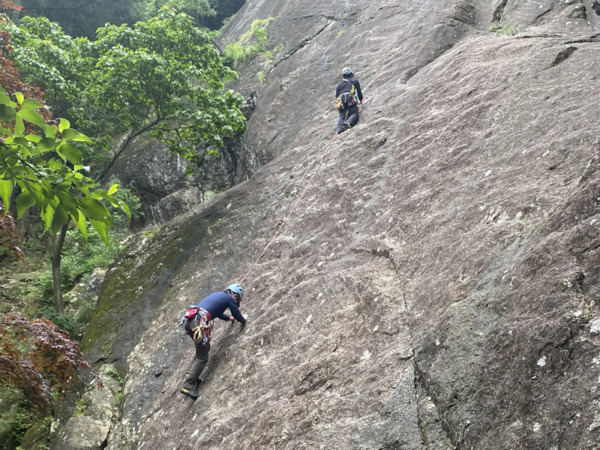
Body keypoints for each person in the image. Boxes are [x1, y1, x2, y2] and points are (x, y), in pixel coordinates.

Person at [180, 283, 246, 399]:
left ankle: (191, 374)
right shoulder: (229, 298)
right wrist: (243, 320)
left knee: (202, 350)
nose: (236, 302)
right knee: (203, 357)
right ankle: (188, 385)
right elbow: (236, 312)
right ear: (234, 294)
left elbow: (217, 312)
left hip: (190, 321)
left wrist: (229, 318)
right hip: (197, 323)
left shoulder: (218, 295)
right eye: (237, 299)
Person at [335, 67, 363, 134]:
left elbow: (336, 96)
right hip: (350, 98)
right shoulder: (354, 81)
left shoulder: (339, 84)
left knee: (341, 114)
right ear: (351, 74)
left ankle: (340, 128)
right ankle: (349, 122)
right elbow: (359, 92)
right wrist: (361, 99)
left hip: (341, 99)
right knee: (354, 113)